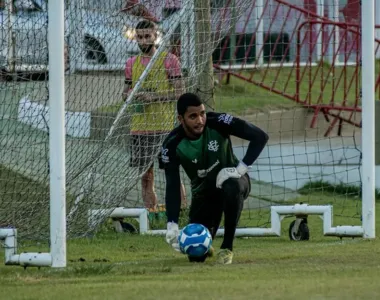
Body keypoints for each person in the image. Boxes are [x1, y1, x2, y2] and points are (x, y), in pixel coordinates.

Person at [159, 93, 269, 264]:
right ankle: (207, 242)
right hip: (203, 195)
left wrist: (239, 169)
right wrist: (172, 224)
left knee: (232, 186)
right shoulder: (171, 144)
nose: (200, 120)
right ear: (181, 119)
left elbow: (260, 137)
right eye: (193, 116)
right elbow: (172, 185)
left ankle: (227, 247)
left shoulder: (219, 122)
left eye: (202, 113)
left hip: (235, 182)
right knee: (196, 255)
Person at [122, 19, 187, 212]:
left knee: (172, 173)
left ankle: (181, 212)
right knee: (145, 176)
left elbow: (180, 93)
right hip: (140, 127)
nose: (143, 41)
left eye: (147, 36)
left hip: (165, 127)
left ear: (155, 36)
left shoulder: (169, 60)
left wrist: (154, 97)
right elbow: (124, 92)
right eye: (139, 37)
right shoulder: (131, 63)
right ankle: (151, 214)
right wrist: (131, 95)